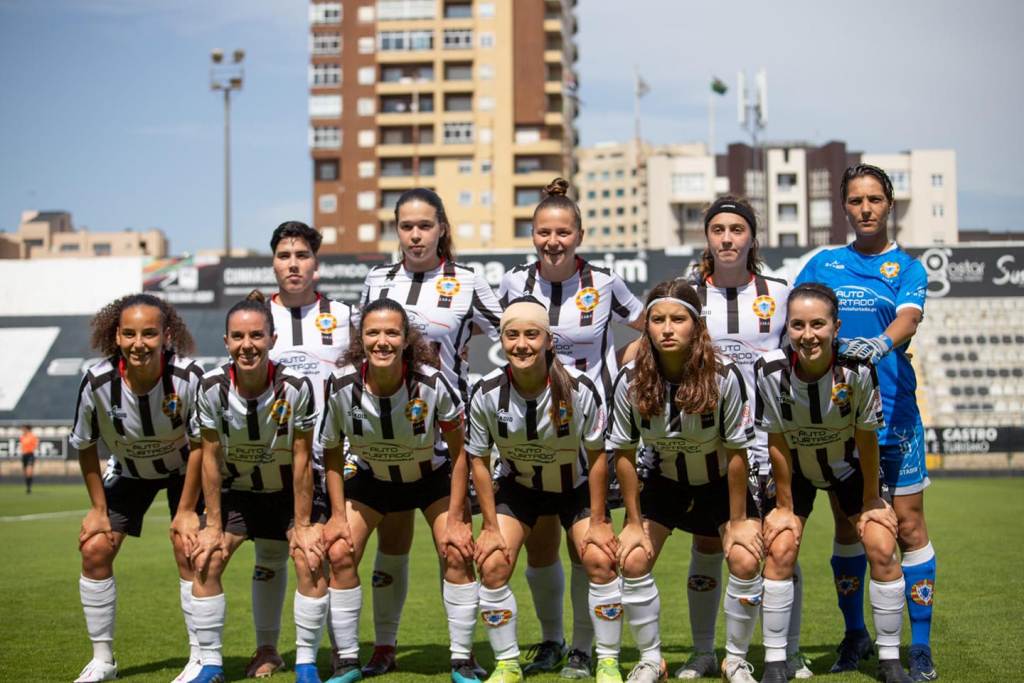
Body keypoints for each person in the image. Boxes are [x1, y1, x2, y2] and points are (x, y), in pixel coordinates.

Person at [498, 178, 644, 678]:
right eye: (543, 232)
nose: (552, 241)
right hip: (534, 433)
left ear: (579, 234)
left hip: (590, 433)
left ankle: (584, 649)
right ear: (533, 235)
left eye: (562, 232)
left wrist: (618, 367)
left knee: (587, 547)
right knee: (540, 546)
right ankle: (552, 641)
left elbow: (651, 327)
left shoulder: (604, 281)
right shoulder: (513, 284)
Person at [796, 164, 937, 681]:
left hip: (895, 417)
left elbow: (908, 318)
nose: (866, 208)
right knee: (850, 528)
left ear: (889, 203)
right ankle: (855, 634)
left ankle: (917, 646)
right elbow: (798, 317)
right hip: (837, 422)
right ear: (844, 206)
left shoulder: (909, 268)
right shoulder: (824, 264)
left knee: (908, 526)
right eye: (856, 200)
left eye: (875, 199)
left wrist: (881, 343)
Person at [355, 188, 502, 677]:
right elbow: (362, 351)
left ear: (441, 228)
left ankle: (463, 655)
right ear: (396, 229)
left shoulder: (467, 281)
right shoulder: (377, 280)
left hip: (444, 445)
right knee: (389, 547)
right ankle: (383, 648)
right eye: (405, 225)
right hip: (386, 443)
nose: (415, 234)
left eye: (424, 225)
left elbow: (515, 332)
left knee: (456, 546)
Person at [755, 283, 912, 683]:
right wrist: (785, 508)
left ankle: (891, 661)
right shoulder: (770, 370)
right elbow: (775, 439)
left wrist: (873, 499)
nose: (808, 334)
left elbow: (865, 436)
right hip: (797, 472)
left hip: (849, 469)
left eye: (818, 324)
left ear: (836, 327)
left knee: (880, 545)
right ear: (787, 328)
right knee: (781, 547)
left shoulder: (858, 369)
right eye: (798, 325)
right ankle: (775, 663)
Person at [683, 196, 813, 679]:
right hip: (710, 447)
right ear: (708, 238)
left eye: (737, 228)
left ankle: (791, 650)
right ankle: (703, 652)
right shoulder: (690, 294)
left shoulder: (780, 291)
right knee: (709, 546)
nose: (727, 238)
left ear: (752, 237)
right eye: (718, 229)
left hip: (770, 441)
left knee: (782, 546)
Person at [608, 279, 762, 683]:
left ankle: (734, 659)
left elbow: (736, 454)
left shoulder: (724, 375)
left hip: (718, 482)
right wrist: (630, 521)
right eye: (657, 319)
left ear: (697, 325)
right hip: (664, 482)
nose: (667, 328)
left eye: (678, 319)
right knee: (633, 558)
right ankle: (651, 659)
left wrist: (740, 519)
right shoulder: (629, 379)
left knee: (745, 558)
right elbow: (623, 454)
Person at [319, 297, 479, 683]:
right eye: (373, 332)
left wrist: (457, 518)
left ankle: (462, 659)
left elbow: (461, 454)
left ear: (406, 338)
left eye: (392, 332)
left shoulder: (432, 382)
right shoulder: (341, 386)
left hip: (431, 479)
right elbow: (331, 455)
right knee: (339, 551)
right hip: (374, 479)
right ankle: (348, 660)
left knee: (457, 550)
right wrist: (338, 516)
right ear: (361, 339)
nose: (382, 341)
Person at [467, 298, 619, 683]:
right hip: (521, 489)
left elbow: (599, 456)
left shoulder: (580, 388)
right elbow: (479, 462)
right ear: (500, 340)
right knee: (492, 561)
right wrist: (488, 525)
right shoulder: (485, 392)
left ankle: (595, 656)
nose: (521, 344)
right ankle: (507, 662)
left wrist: (600, 521)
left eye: (531, 335)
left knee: (599, 558)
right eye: (512, 335)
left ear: (548, 340)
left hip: (575, 486)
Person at [188, 292, 325, 683]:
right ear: (227, 342)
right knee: (207, 558)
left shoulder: (295, 385)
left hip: (285, 492)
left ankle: (305, 664)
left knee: (310, 559)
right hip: (239, 494)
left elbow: (302, 459)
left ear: (272, 339)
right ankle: (211, 664)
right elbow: (210, 459)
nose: (247, 345)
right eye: (238, 337)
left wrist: (301, 523)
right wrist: (213, 524)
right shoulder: (212, 386)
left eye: (256, 336)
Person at [69, 294, 204, 683]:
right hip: (128, 471)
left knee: (188, 548)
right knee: (95, 548)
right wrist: (97, 509)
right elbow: (84, 444)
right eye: (129, 334)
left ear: (166, 335)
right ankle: (102, 660)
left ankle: (198, 658)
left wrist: (186, 510)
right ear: (117, 336)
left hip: (183, 471)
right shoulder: (96, 381)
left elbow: (201, 446)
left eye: (149, 333)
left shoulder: (188, 376)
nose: (138, 343)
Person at [244, 221, 353, 678]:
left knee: (324, 553)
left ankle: (335, 649)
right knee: (269, 555)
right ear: (273, 262)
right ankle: (268, 649)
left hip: (328, 456)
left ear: (316, 262)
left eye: (302, 255)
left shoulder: (345, 315)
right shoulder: (252, 318)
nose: (293, 264)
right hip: (272, 458)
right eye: (285, 255)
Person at [19, 424, 38, 494]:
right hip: (24, 455)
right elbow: (22, 445)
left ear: (27, 429)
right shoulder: (22, 437)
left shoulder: (32, 436)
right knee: (25, 473)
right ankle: (27, 487)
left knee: (29, 472)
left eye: (23, 428)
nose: (22, 430)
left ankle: (29, 488)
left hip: (30, 455)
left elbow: (35, 445)